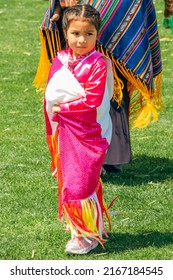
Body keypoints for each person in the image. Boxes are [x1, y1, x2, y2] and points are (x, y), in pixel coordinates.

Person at [34, 0, 162, 173]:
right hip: (79, 8)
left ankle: (108, 156)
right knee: (75, 77)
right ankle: (71, 153)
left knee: (114, 84)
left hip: (122, 8)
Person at [44, 4, 115, 254]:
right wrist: (55, 113)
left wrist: (62, 109)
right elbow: (50, 95)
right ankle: (79, 228)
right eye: (76, 33)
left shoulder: (97, 63)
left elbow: (93, 101)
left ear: (98, 34)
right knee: (71, 180)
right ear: (65, 33)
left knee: (82, 182)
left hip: (89, 134)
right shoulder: (60, 60)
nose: (82, 40)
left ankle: (88, 235)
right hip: (65, 132)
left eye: (89, 34)